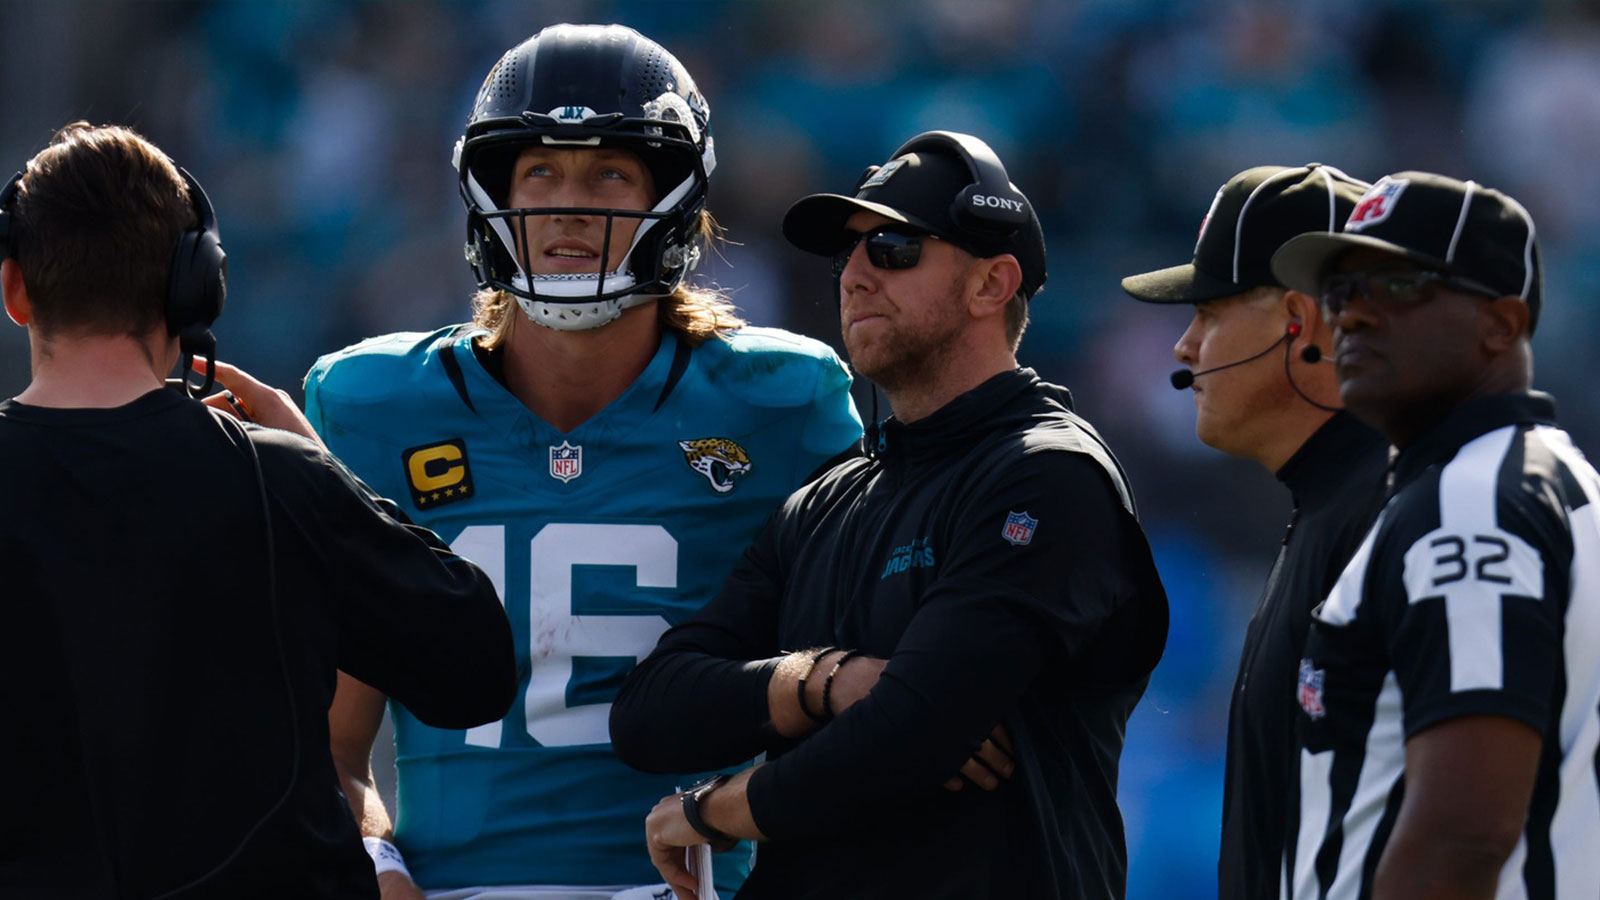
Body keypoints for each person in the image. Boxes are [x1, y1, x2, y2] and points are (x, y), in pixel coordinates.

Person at [304, 23, 863, 900]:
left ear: (672, 199)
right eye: (540, 172)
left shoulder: (779, 401)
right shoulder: (375, 406)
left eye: (609, 171)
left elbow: (848, 701)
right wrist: (377, 866)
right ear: (493, 195)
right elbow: (323, 747)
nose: (570, 205)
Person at [610, 130, 1170, 900]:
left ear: (992, 284)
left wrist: (710, 811)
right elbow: (649, 712)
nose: (856, 276)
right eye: (851, 254)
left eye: (896, 248)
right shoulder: (826, 498)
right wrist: (823, 682)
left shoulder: (1047, 476)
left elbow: (911, 735)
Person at [0, 123, 515, 899]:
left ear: (14, 291)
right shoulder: (281, 482)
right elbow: (476, 665)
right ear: (193, 289)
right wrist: (321, 466)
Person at [1271, 172, 1600, 898]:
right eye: (1341, 293)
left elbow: (1464, 832)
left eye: (1395, 285)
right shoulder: (1558, 484)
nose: (1351, 316)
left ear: (1502, 324)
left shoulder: (1473, 504)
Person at [1120, 163, 1389, 900]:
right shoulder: (1335, 508)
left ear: (1299, 323)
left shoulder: (1407, 517)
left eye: (1207, 312)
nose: (1184, 347)